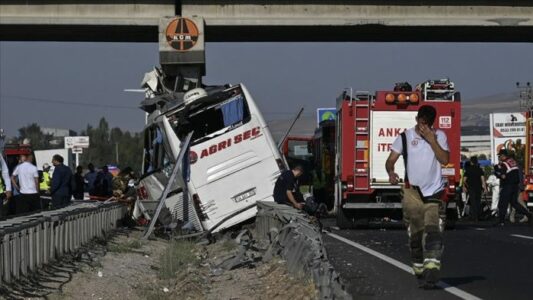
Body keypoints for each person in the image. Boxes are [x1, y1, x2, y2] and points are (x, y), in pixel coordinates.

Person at [385, 105, 449, 289]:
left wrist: (432, 140)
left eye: (427, 125)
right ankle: (419, 267)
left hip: (434, 193)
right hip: (412, 192)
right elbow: (391, 160)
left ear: (432, 124)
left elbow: (444, 160)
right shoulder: (405, 137)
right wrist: (391, 172)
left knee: (433, 234)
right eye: (421, 123)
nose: (423, 128)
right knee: (416, 235)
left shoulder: (439, 136)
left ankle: (432, 274)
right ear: (416, 119)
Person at [494, 149, 532, 226]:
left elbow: (503, 176)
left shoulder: (504, 164)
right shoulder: (513, 162)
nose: (499, 157)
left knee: (502, 203)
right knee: (515, 203)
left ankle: (501, 221)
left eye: (499, 156)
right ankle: (528, 214)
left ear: (502, 156)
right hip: (515, 186)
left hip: (508, 185)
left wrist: (497, 173)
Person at [463, 156, 487, 221]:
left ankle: (474, 216)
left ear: (471, 162)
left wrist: (464, 186)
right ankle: (477, 215)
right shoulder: (480, 169)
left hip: (471, 188)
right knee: (478, 202)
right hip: (478, 188)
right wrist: (485, 188)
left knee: (472, 202)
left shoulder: (468, 170)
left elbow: (464, 180)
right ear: (476, 162)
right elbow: (483, 180)